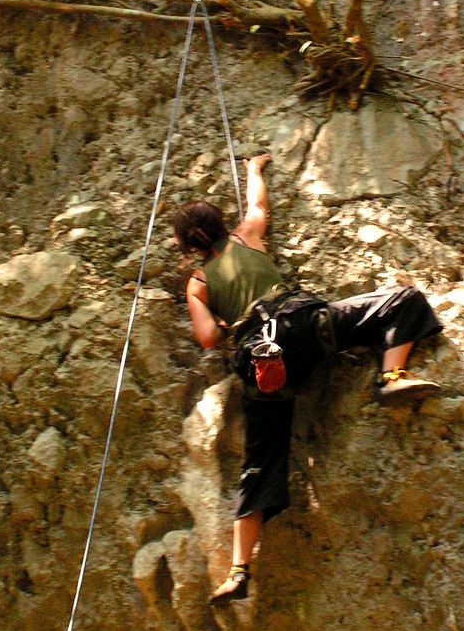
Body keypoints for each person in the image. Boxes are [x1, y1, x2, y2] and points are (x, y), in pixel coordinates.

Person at [174, 154, 442, 604]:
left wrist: (224, 324)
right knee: (403, 301)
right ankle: (392, 375)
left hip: (262, 359)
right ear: (221, 223)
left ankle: (239, 570)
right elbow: (259, 205)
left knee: (260, 461)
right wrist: (254, 168)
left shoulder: (198, 283)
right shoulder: (247, 237)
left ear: (188, 247)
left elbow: (205, 338)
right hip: (307, 327)